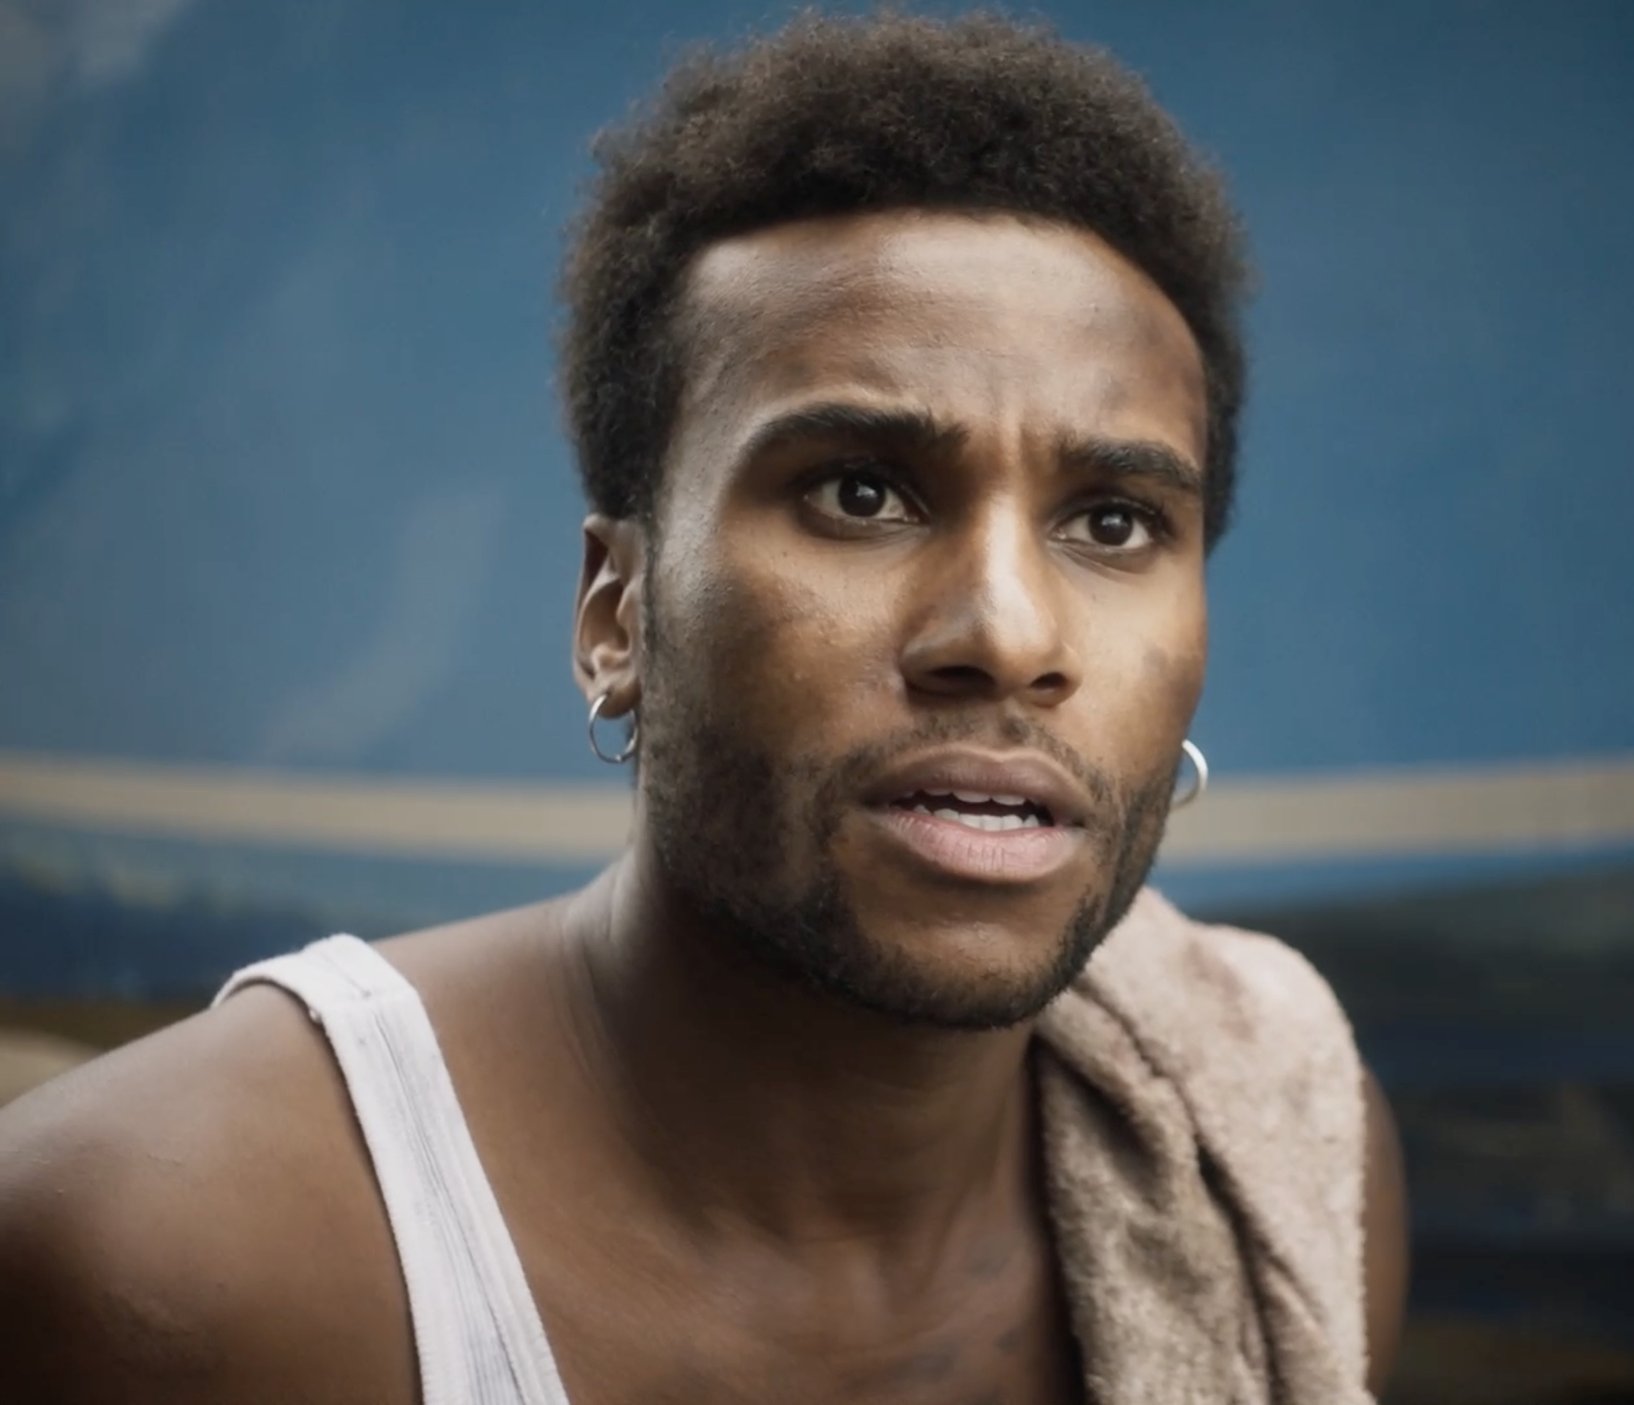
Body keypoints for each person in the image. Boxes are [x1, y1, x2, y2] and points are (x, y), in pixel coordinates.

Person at [0, 13, 1408, 1402]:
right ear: (618, 615)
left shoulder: (1281, 1151)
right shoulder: (165, 1261)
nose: (1010, 635)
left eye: (1110, 522)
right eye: (861, 492)